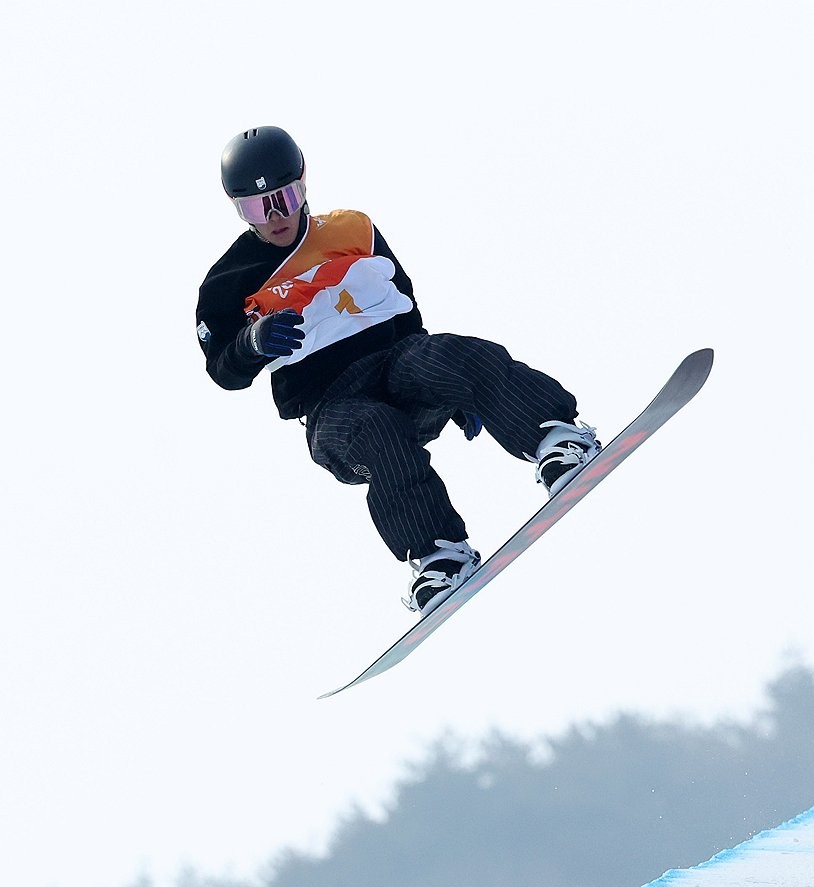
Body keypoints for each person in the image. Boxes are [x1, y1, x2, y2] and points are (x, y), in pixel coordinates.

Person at [196, 126, 601, 614]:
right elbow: (224, 370)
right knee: (377, 432)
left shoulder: (353, 230)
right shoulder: (226, 282)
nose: (278, 215)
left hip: (393, 364)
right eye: (259, 207)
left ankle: (554, 439)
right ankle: (437, 556)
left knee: (453, 354)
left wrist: (453, 392)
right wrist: (252, 342)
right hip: (331, 408)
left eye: (286, 196)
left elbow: (406, 311)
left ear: (305, 185)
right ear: (238, 209)